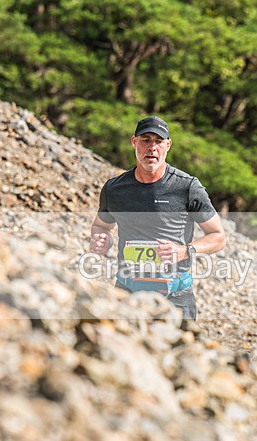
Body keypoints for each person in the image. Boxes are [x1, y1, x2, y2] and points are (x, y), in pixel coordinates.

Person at [89, 115, 226, 320]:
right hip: (126, 293)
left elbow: (218, 236)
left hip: (175, 297)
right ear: (134, 142)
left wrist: (184, 251)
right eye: (146, 140)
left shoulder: (186, 187)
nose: (152, 147)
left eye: (158, 141)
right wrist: (102, 239)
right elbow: (101, 226)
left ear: (168, 145)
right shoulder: (114, 188)